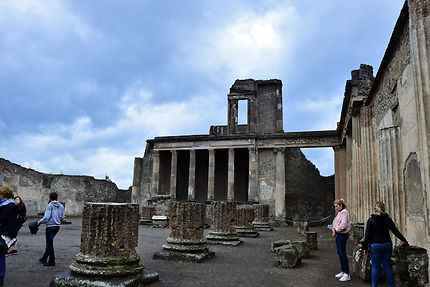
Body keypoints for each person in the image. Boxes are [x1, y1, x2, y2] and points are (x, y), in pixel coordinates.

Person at [361, 201, 408, 287]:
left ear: (375, 209)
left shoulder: (371, 220)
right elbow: (395, 231)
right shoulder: (388, 219)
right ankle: (391, 285)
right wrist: (404, 240)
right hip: (387, 244)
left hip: (375, 246)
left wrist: (364, 247)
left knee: (375, 267)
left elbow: (367, 235)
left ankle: (375, 286)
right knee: (387, 266)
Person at [37, 192, 64, 267]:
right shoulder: (61, 206)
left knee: (49, 244)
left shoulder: (50, 206)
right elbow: (62, 217)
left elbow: (46, 217)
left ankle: (52, 260)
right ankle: (44, 258)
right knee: (49, 242)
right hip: (57, 226)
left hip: (50, 226)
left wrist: (39, 222)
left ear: (50, 198)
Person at [0, 187, 19, 286]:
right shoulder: (12, 205)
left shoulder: (7, 205)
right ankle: (1, 276)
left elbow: (2, 218)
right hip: (8, 234)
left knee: (1, 256)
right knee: (1, 256)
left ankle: (1, 276)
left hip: (3, 233)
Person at [331, 199, 351, 282]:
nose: (335, 208)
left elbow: (343, 225)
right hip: (339, 235)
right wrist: (333, 229)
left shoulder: (344, 213)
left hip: (342, 235)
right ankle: (343, 271)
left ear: (341, 205)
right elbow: (334, 224)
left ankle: (347, 273)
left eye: (336, 206)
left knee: (342, 253)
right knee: (340, 253)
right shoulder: (340, 213)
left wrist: (335, 230)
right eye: (335, 206)